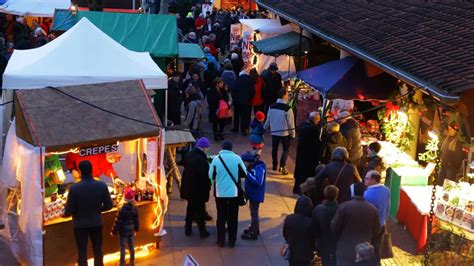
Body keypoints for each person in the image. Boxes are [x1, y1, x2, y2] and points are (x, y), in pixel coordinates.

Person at [64, 160, 113, 266]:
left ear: (80, 172)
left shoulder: (74, 188)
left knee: (82, 252)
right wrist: (98, 210)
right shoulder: (101, 186)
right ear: (91, 170)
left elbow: (69, 210)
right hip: (96, 222)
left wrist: (65, 213)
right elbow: (109, 205)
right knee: (98, 250)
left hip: (80, 225)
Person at [331, 182, 380, 266]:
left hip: (345, 249)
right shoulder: (373, 209)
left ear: (352, 192)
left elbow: (334, 226)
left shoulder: (344, 207)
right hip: (364, 250)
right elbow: (377, 231)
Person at [209, 140, 247, 247]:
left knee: (221, 217)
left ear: (222, 148)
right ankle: (232, 241)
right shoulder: (237, 158)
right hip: (234, 193)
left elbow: (211, 175)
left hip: (220, 193)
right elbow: (244, 173)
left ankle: (220, 241)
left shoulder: (216, 159)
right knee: (233, 218)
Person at [181, 137, 212, 237]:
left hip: (189, 188)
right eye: (207, 148)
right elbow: (204, 176)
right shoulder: (201, 160)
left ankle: (188, 229)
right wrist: (207, 187)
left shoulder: (189, 155)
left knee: (190, 209)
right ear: (203, 148)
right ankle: (202, 231)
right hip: (198, 190)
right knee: (200, 211)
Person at [264, 89, 296, 175]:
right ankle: (282, 166)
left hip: (274, 131)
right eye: (287, 94)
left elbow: (268, 119)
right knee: (286, 149)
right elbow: (291, 123)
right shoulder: (288, 108)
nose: (288, 96)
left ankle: (274, 165)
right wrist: (293, 134)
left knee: (274, 148)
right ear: (284, 95)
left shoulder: (272, 106)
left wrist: (264, 127)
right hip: (284, 133)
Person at [364, 170, 390, 263]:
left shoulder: (366, 194)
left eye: (367, 179)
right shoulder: (386, 190)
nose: (364, 180)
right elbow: (388, 208)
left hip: (370, 226)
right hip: (382, 224)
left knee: (367, 249)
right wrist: (383, 220)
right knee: (377, 248)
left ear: (374, 180)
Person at [293, 111, 322, 194]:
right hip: (309, 156)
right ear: (316, 120)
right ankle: (302, 191)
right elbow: (316, 143)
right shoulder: (313, 129)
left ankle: (297, 190)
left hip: (302, 154)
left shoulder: (304, 125)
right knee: (305, 174)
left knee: (300, 174)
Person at [240, 151, 266, 240]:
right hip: (252, 194)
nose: (243, 164)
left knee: (254, 214)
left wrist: (247, 174)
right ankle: (255, 229)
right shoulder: (254, 167)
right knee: (253, 213)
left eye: (244, 162)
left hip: (255, 195)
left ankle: (254, 233)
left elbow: (258, 182)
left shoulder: (259, 168)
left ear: (249, 162)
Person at [283, 195, 315, 266]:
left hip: (293, 252)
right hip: (306, 253)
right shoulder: (311, 222)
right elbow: (313, 238)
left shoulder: (289, 218)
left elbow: (285, 234)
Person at [111, 188, 139, 266]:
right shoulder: (134, 208)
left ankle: (122, 263)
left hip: (123, 231)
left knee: (122, 248)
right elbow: (136, 220)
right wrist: (136, 229)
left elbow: (117, 221)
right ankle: (132, 262)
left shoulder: (121, 208)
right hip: (131, 230)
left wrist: (113, 232)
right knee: (131, 247)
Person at [312, 185, 339, 266]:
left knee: (325, 260)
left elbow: (314, 227)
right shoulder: (341, 209)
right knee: (336, 260)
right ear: (336, 195)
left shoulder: (318, 209)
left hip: (322, 241)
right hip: (336, 242)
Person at [438, 121, 466, 185]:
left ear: (455, 131)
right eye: (448, 128)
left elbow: (459, 157)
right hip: (443, 165)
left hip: (451, 168)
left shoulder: (459, 142)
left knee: (448, 185)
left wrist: (451, 163)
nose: (449, 130)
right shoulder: (447, 138)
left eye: (451, 129)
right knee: (439, 182)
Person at [231, 70, 255, 135]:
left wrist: (234, 99)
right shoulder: (250, 81)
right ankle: (244, 130)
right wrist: (249, 99)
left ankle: (236, 129)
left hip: (237, 102)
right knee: (245, 116)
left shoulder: (237, 80)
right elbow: (253, 92)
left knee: (236, 115)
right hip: (246, 102)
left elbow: (233, 91)